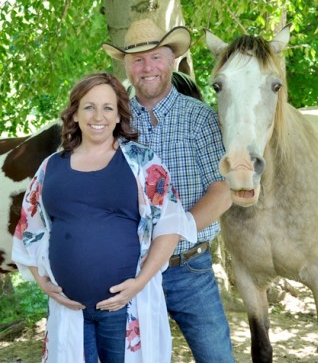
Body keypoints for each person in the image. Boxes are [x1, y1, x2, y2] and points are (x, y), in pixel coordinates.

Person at [11, 72, 197, 362]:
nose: (98, 116)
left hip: (125, 306)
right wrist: (40, 279)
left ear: (120, 115)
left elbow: (170, 226)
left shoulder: (143, 163)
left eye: (107, 107)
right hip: (69, 308)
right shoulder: (51, 167)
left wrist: (139, 282)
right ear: (74, 114)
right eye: (89, 106)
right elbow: (28, 229)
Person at [102, 19, 234, 362]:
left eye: (155, 57)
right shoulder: (113, 122)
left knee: (217, 357)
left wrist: (173, 232)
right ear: (127, 67)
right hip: (128, 270)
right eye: (137, 60)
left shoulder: (200, 118)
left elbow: (222, 191)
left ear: (172, 60)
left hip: (190, 269)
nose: (147, 68)